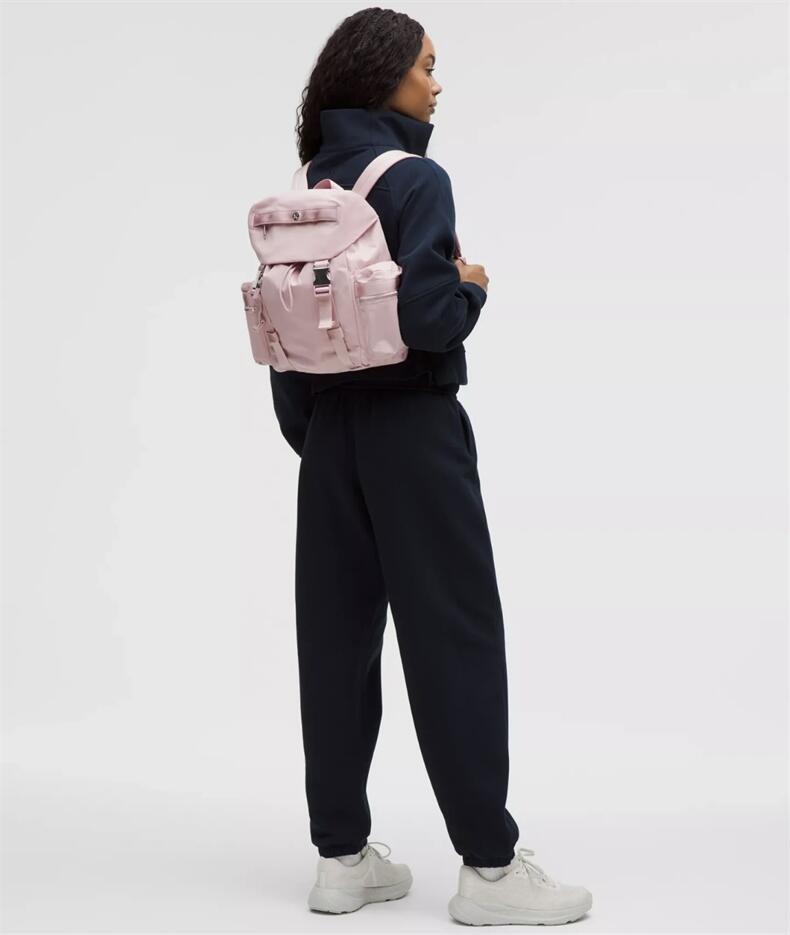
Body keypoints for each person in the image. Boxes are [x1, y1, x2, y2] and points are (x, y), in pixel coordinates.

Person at [267, 7, 592, 926]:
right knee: (454, 635)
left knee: (335, 645)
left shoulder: (306, 187)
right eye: (426, 67)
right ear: (385, 77)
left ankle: (341, 858)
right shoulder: (414, 179)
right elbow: (429, 320)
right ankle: (489, 869)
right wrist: (472, 287)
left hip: (327, 437)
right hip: (415, 432)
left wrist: (322, 442)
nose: (436, 85)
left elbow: (287, 341)